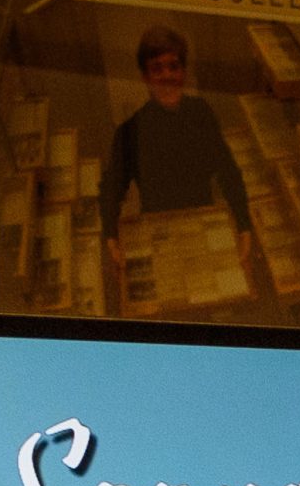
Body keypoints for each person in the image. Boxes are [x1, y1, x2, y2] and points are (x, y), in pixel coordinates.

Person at [99, 24, 253, 292]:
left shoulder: (201, 112)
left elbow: (228, 170)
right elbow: (112, 186)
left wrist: (243, 223)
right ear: (146, 77)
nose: (168, 75)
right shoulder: (130, 132)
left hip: (204, 228)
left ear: (183, 71)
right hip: (160, 237)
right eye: (157, 68)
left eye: (174, 66)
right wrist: (111, 237)